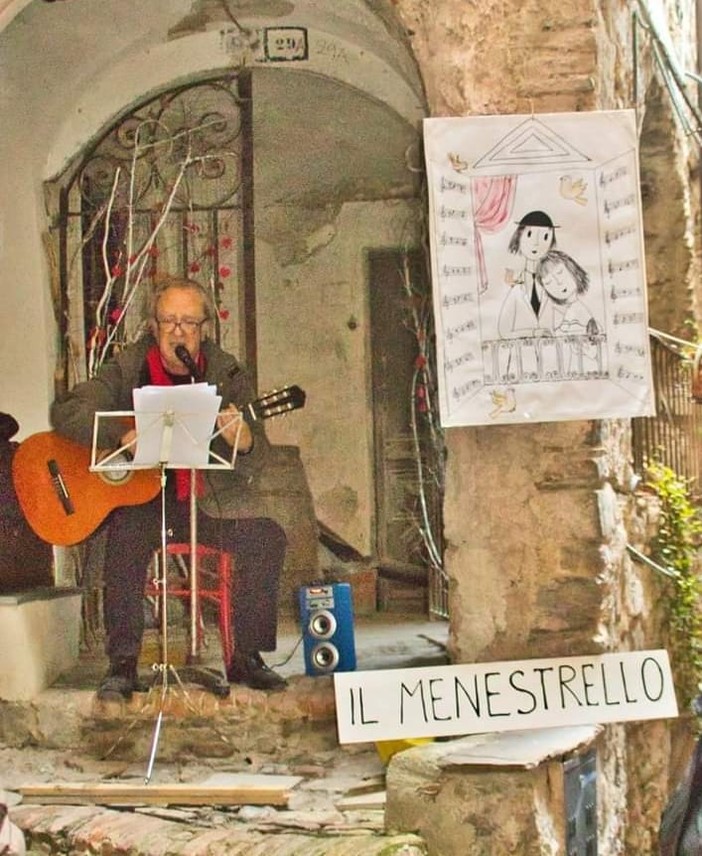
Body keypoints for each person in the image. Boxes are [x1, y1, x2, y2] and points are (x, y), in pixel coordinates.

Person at [51, 276, 288, 700]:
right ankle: (123, 664)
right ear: (153, 326)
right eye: (169, 321)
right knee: (123, 539)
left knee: (266, 536)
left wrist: (245, 440)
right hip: (144, 500)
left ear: (204, 329)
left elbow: (260, 453)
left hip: (205, 503)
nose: (178, 331)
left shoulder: (226, 372)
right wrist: (118, 438)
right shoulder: (127, 366)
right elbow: (68, 410)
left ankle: (246, 657)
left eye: (189, 323)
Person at [497, 210, 558, 338]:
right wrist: (533, 333)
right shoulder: (516, 288)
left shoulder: (552, 285)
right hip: (522, 355)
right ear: (518, 237)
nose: (536, 243)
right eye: (529, 234)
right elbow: (504, 331)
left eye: (545, 237)